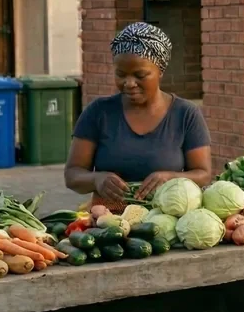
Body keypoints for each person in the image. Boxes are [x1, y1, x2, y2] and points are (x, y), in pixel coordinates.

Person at [65, 23, 213, 209]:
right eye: (120, 74)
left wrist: (171, 178)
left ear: (160, 71)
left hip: (165, 221)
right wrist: (97, 179)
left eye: (140, 75)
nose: (129, 83)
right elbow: (72, 174)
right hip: (107, 223)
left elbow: (203, 174)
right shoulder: (98, 112)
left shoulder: (185, 114)